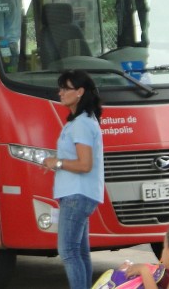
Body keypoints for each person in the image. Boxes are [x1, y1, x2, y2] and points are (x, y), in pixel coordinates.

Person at [41, 69, 104, 289]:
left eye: (65, 88)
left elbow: (85, 164)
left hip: (76, 194)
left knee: (68, 251)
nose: (60, 93)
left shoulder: (81, 124)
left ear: (79, 92)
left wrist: (56, 163)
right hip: (82, 193)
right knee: (80, 251)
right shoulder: (84, 120)